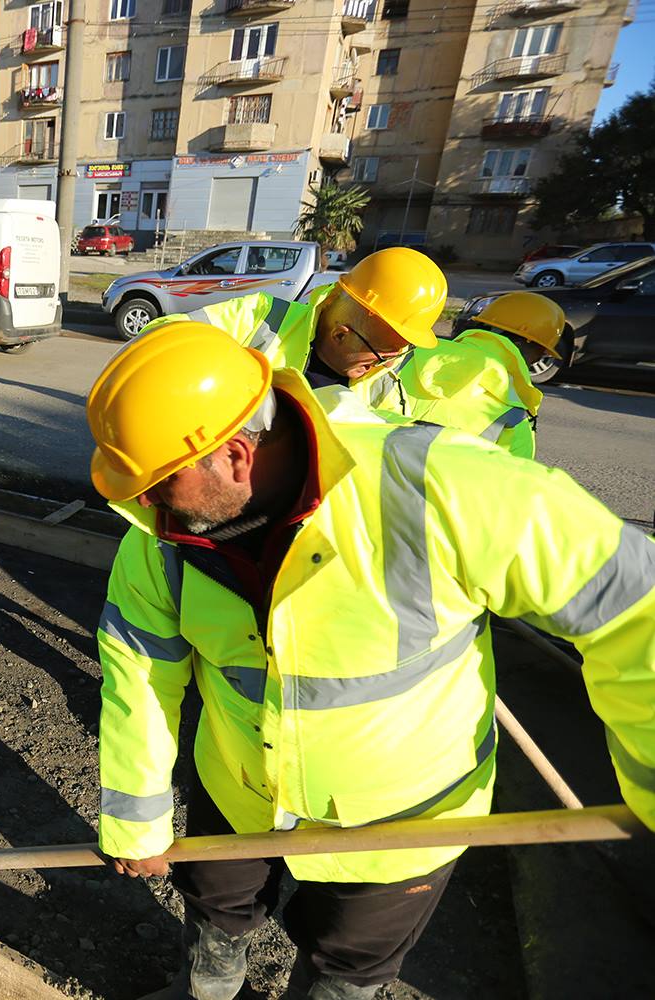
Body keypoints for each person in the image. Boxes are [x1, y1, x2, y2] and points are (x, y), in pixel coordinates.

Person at [84, 323, 655, 1000]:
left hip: (400, 825)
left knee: (347, 965)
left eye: (154, 483)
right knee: (216, 908)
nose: (139, 503)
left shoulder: (437, 486)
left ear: (235, 455)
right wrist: (136, 823)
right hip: (240, 787)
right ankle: (208, 993)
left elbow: (635, 610)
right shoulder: (160, 539)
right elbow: (138, 672)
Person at [140, 247, 448, 410]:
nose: (387, 366)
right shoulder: (260, 318)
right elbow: (157, 343)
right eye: (379, 358)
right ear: (340, 334)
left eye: (401, 352)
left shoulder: (384, 391)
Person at [373, 291, 566, 459]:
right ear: (532, 345)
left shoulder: (407, 355)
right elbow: (513, 486)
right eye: (542, 352)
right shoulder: (515, 414)